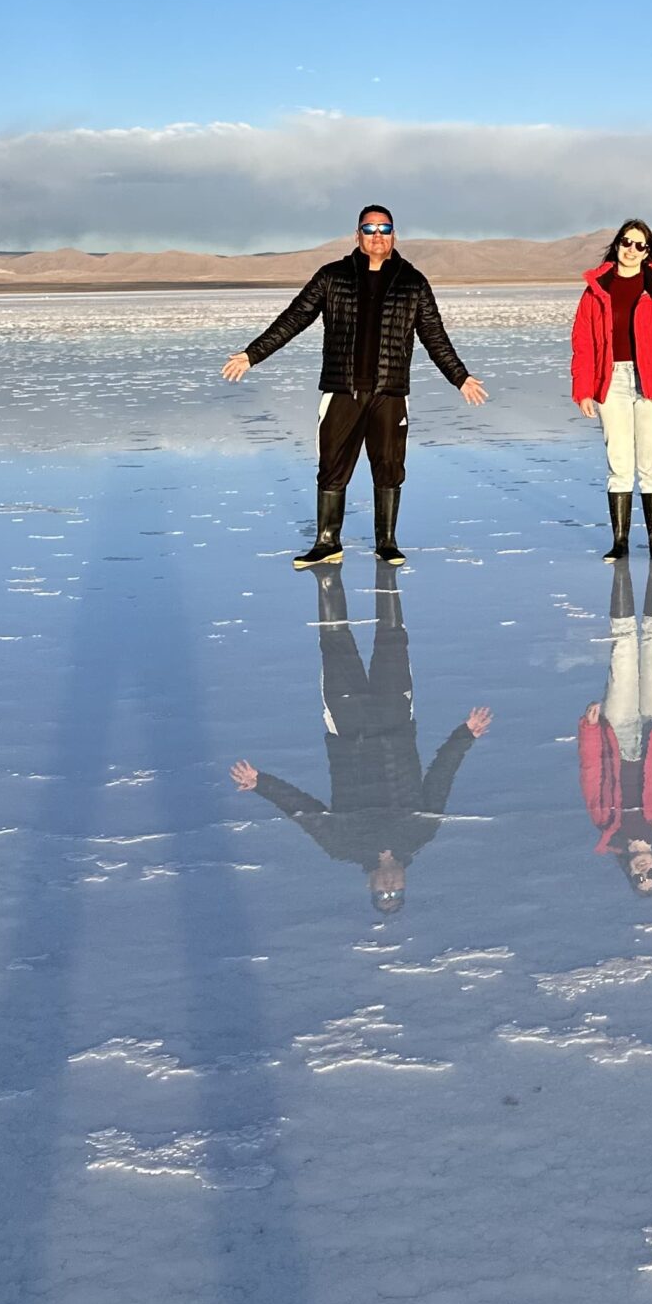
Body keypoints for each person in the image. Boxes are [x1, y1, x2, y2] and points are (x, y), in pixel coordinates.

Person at [222, 205, 487, 570]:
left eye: (384, 228)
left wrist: (460, 376)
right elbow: (295, 317)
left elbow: (434, 335)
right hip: (341, 390)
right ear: (357, 234)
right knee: (332, 465)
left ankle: (387, 543)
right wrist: (253, 354)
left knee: (389, 465)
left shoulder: (413, 282)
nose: (377, 235)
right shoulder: (333, 276)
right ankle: (327, 542)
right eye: (369, 228)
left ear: (394, 234)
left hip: (389, 392)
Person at [230, 561, 493, 914]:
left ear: (368, 886)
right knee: (391, 642)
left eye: (381, 895)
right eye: (396, 893)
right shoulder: (420, 834)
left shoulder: (342, 845)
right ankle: (386, 572)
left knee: (336, 645)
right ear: (404, 884)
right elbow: (441, 777)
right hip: (396, 720)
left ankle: (327, 578)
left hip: (347, 726)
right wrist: (465, 735)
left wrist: (260, 783)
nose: (389, 888)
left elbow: (303, 810)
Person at [571, 220, 652, 561]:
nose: (631, 249)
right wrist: (584, 388)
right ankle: (620, 542)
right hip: (613, 381)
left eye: (640, 245)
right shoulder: (597, 289)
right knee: (619, 461)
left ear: (648, 251)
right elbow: (583, 344)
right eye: (627, 242)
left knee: (651, 461)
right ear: (617, 244)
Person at [579, 560, 652, 895]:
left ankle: (620, 572)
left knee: (622, 652)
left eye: (638, 879)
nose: (645, 872)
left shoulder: (608, 826)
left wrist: (590, 730)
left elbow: (591, 772)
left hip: (619, 734)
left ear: (628, 872)